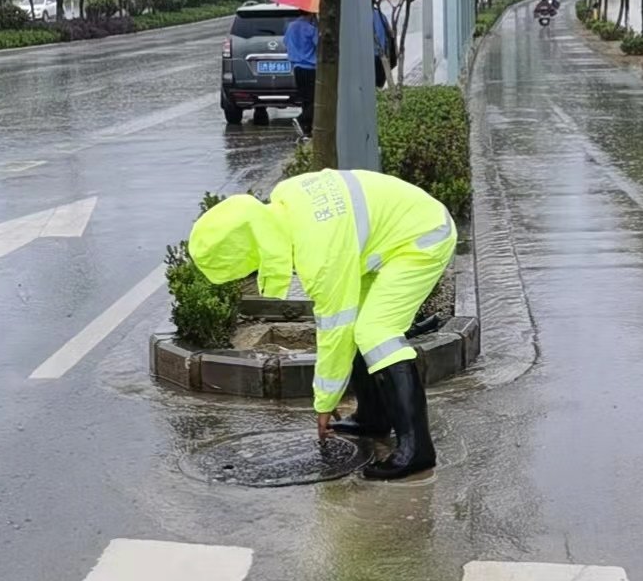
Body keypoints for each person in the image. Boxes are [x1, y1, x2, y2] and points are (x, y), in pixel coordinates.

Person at [188, 169, 457, 481]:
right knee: (361, 325)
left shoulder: (318, 253)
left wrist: (324, 404)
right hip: (398, 232)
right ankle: (374, 417)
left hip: (422, 238)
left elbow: (335, 334)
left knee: (377, 332)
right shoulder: (285, 197)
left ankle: (417, 449)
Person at [284, 11, 318, 137]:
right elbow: (319, 45)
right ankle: (302, 119)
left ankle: (307, 129)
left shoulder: (291, 26)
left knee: (305, 99)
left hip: (297, 68)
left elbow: (285, 42)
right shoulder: (311, 28)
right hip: (310, 68)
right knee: (314, 99)